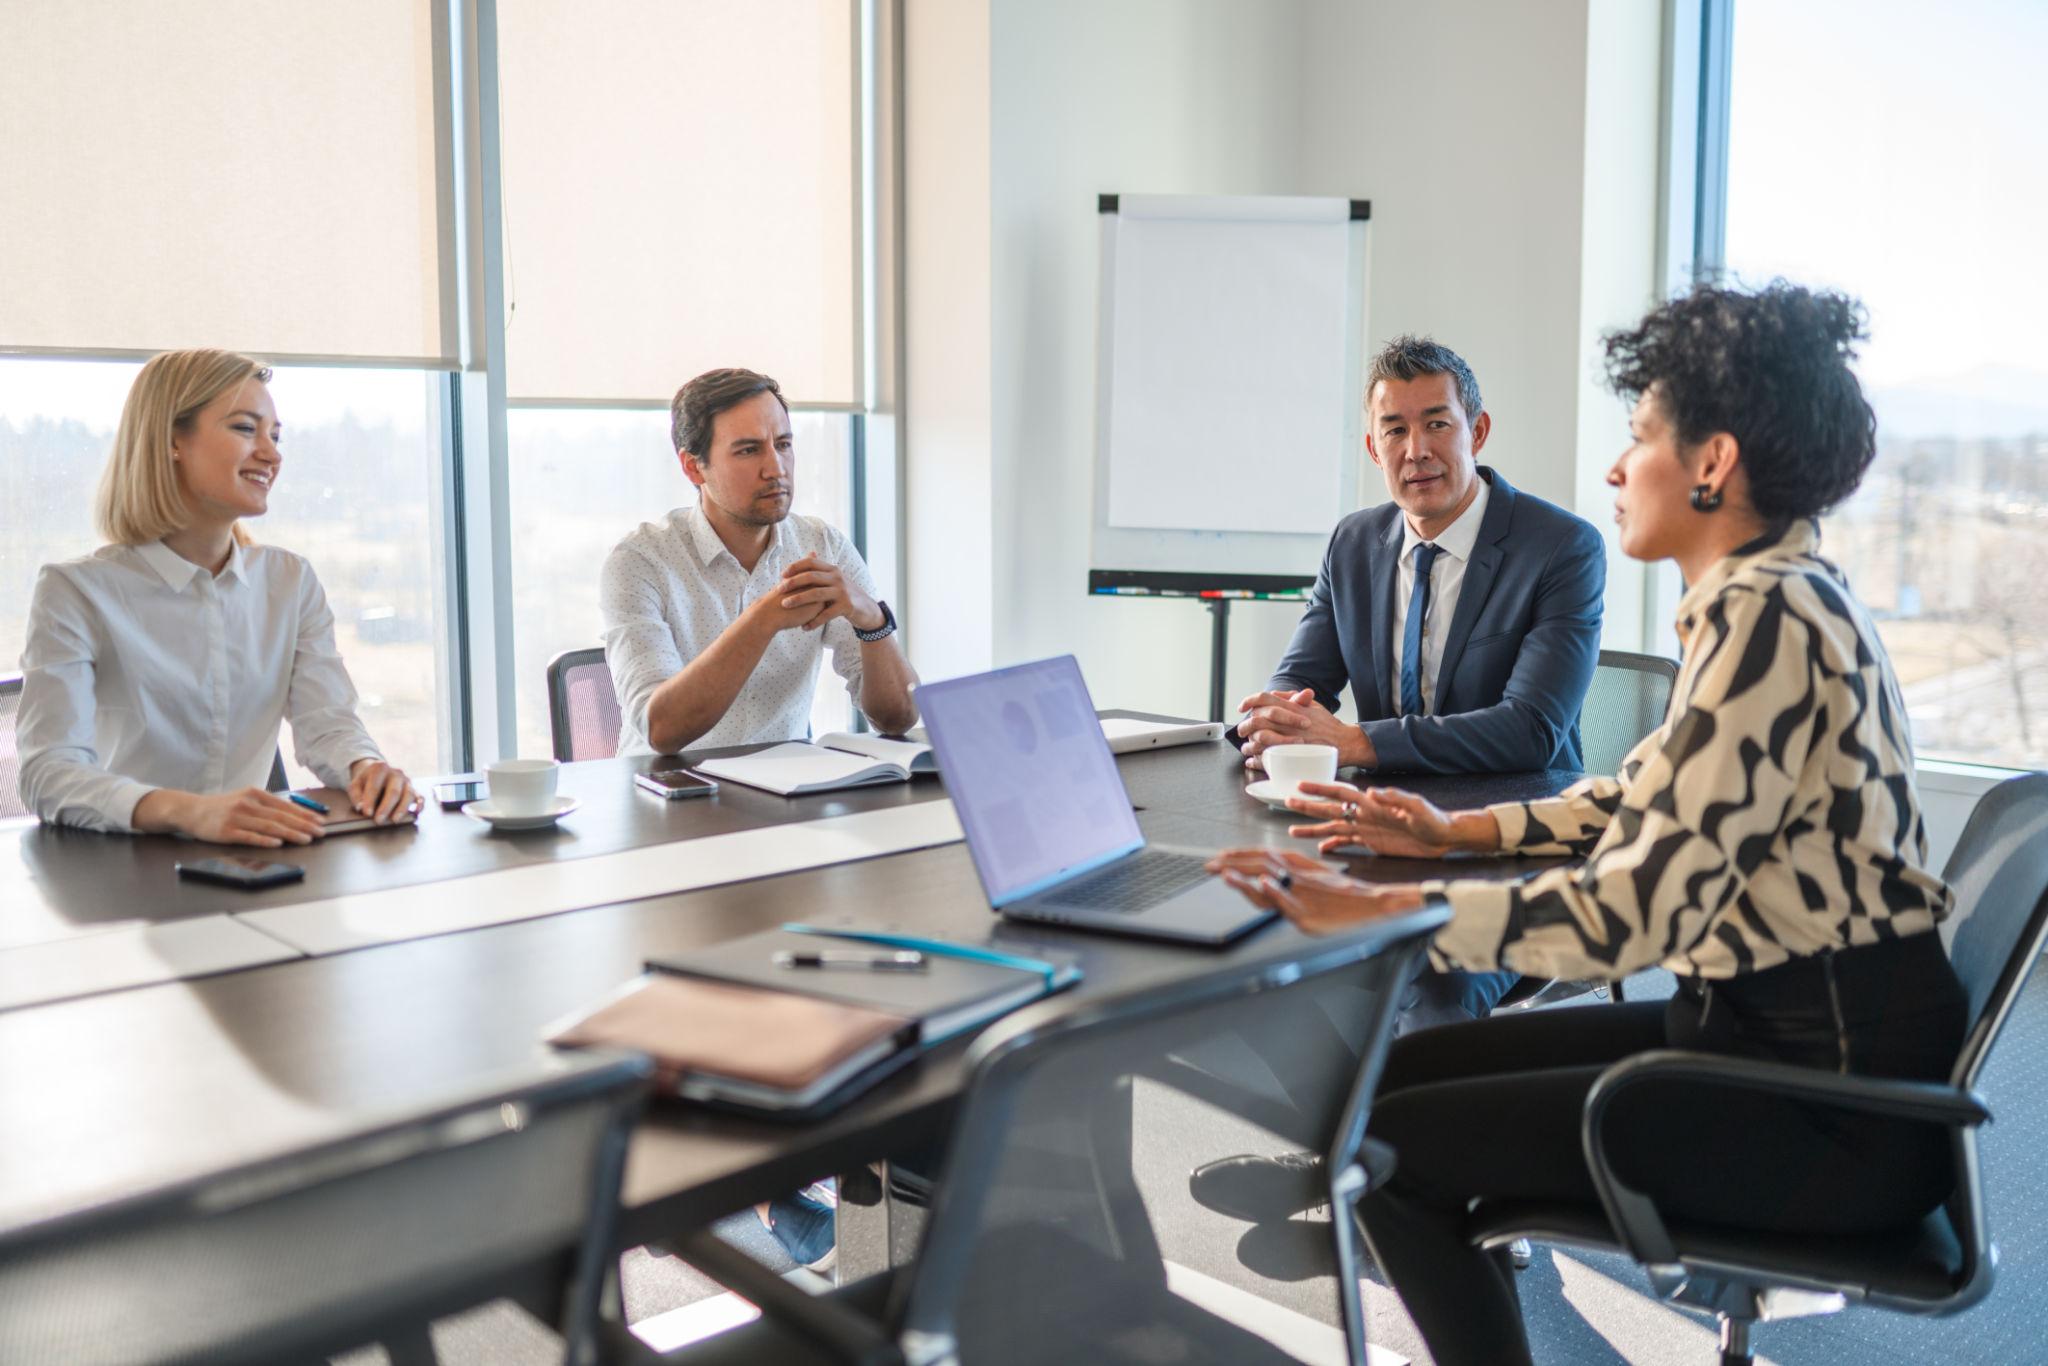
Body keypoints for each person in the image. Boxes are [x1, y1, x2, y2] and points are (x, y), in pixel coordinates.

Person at [1204, 282, 1965, 1366]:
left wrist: (1392, 910)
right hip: (1778, 1040)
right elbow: (1634, 793)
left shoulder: (1767, 618)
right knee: (1397, 1084)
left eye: (1638, 437)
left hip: (1821, 1102)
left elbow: (1634, 914)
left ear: (1711, 462)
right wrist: (1456, 836)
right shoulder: (1780, 595)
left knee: (1385, 1142)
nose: (1615, 468)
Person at [1242, 335, 1607, 1029]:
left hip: (1510, 839)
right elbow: (1301, 682)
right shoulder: (1353, 542)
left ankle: (1407, 1101)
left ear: (1478, 431)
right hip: (1381, 829)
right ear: (1373, 448)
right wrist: (1277, 719)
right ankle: (1346, 1103)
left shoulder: (1561, 547)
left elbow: (1531, 731)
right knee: (1257, 935)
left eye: (1437, 423)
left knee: (1431, 988)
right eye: (1395, 430)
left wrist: (1357, 743)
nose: (1416, 451)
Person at [17, 350, 418, 842]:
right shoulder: (75, 591)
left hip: (249, 860)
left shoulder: (289, 581)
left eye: (275, 436)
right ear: (171, 441)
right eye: (246, 429)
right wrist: (190, 812)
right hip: (119, 865)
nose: (272, 454)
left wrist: (365, 766)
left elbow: (326, 723)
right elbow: (49, 773)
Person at [601, 368, 917, 755]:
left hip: (786, 784)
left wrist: (873, 621)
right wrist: (764, 618)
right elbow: (662, 729)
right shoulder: (639, 561)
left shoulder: (822, 544)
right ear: (693, 467)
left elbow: (899, 718)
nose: (776, 469)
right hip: (670, 784)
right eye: (748, 450)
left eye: (783, 444)